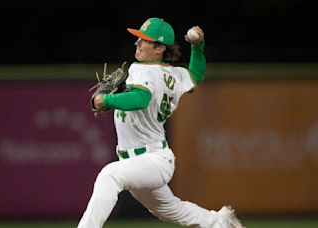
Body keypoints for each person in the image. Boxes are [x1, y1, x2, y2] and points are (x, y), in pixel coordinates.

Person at [78, 17, 244, 228]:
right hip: (147, 162)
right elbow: (196, 75)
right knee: (172, 210)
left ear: (159, 49)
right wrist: (198, 47)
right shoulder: (173, 75)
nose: (137, 43)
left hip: (151, 159)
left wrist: (106, 100)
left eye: (144, 40)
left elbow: (141, 99)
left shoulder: (142, 70)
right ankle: (220, 222)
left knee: (109, 175)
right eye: (138, 38)